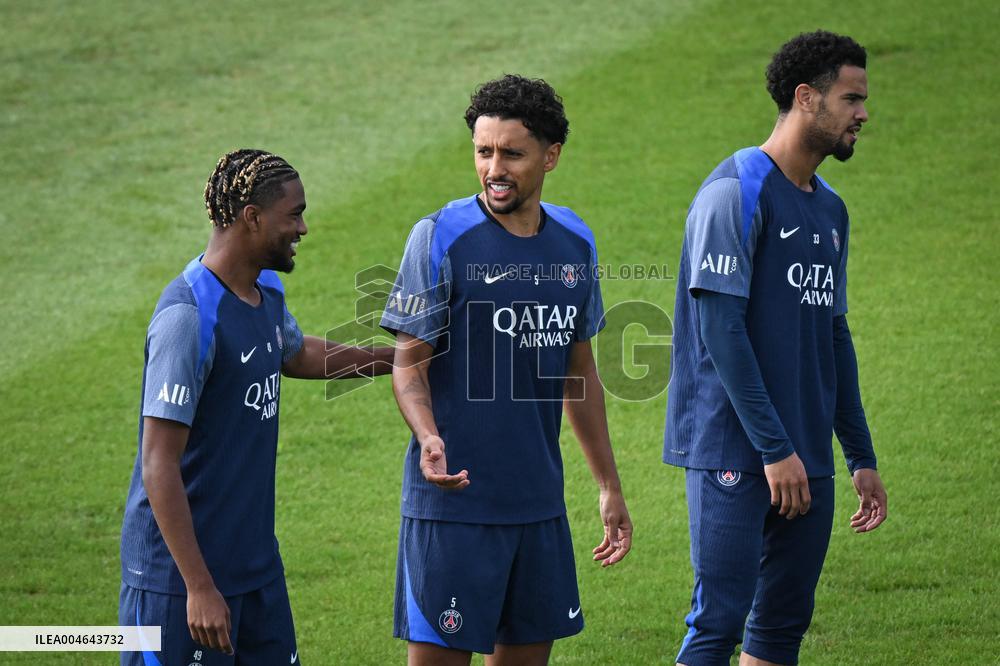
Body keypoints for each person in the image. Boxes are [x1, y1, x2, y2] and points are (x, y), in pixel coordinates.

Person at [381, 75, 633, 666]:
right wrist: (427, 436)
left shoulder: (575, 242)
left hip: (537, 507)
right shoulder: (439, 237)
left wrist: (608, 486)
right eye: (483, 151)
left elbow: (579, 374)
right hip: (453, 508)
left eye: (511, 154)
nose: (494, 169)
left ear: (551, 156)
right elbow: (409, 364)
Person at [663, 31, 889, 666]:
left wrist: (859, 455)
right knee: (719, 623)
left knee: (781, 628)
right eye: (851, 99)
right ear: (806, 97)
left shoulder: (832, 211)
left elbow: (834, 336)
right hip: (734, 449)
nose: (863, 114)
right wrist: (774, 449)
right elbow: (721, 331)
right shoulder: (735, 192)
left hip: (806, 453)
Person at [119, 149, 393, 665]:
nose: (303, 228)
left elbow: (295, 353)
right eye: (294, 215)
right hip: (178, 583)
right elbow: (158, 464)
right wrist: (199, 587)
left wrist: (397, 360)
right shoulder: (189, 319)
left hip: (255, 568)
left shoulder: (264, 289)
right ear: (252, 217)